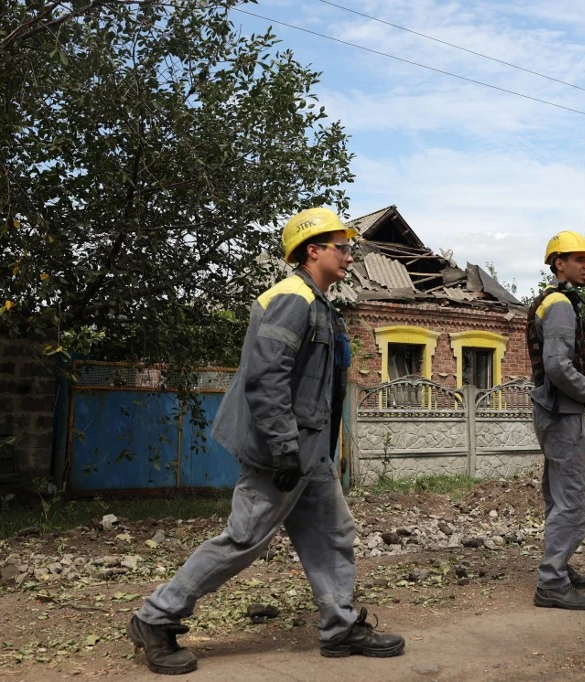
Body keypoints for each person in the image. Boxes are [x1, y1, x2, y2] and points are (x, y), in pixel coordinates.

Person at [127, 208, 405, 675]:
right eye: (342, 246)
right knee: (244, 538)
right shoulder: (291, 298)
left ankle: (339, 626)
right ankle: (155, 617)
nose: (350, 255)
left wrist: (314, 453)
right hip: (284, 449)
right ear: (313, 250)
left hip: (310, 452)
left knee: (334, 534)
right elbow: (265, 378)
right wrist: (283, 450)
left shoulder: (320, 303)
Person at [526, 230, 585, 611]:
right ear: (559, 264)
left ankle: (558, 565)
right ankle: (552, 581)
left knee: (559, 496)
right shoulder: (560, 304)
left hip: (551, 412)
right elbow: (558, 365)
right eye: (579, 260)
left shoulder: (549, 301)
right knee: (576, 498)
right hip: (562, 413)